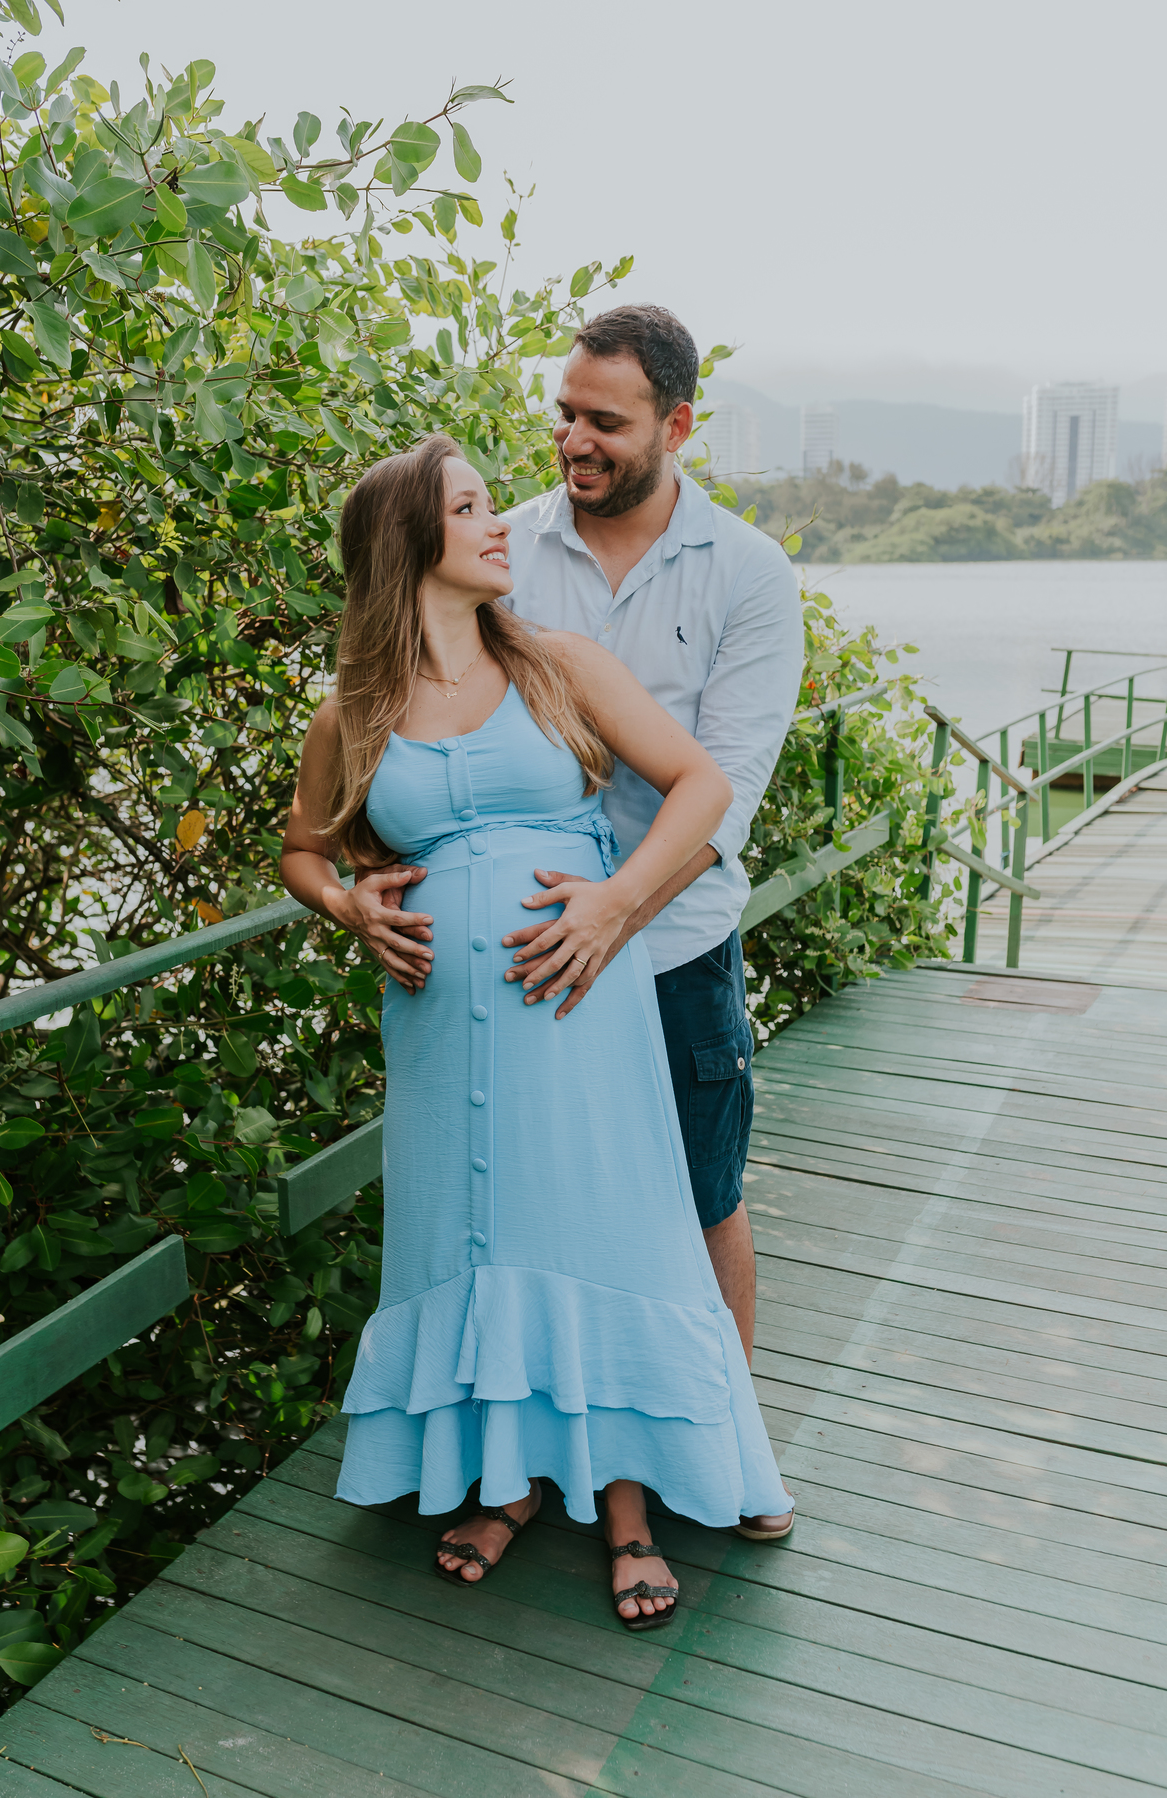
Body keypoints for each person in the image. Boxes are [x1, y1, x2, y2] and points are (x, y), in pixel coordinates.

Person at [280, 434, 794, 1629]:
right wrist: (350, 905)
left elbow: (704, 786)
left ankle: (627, 1506)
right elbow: (304, 852)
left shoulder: (559, 664)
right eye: (470, 509)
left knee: (605, 1225)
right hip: (436, 1030)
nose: (499, 524)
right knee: (473, 1233)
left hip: (576, 1006)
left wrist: (616, 903)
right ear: (412, 541)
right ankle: (504, 1483)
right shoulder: (351, 712)